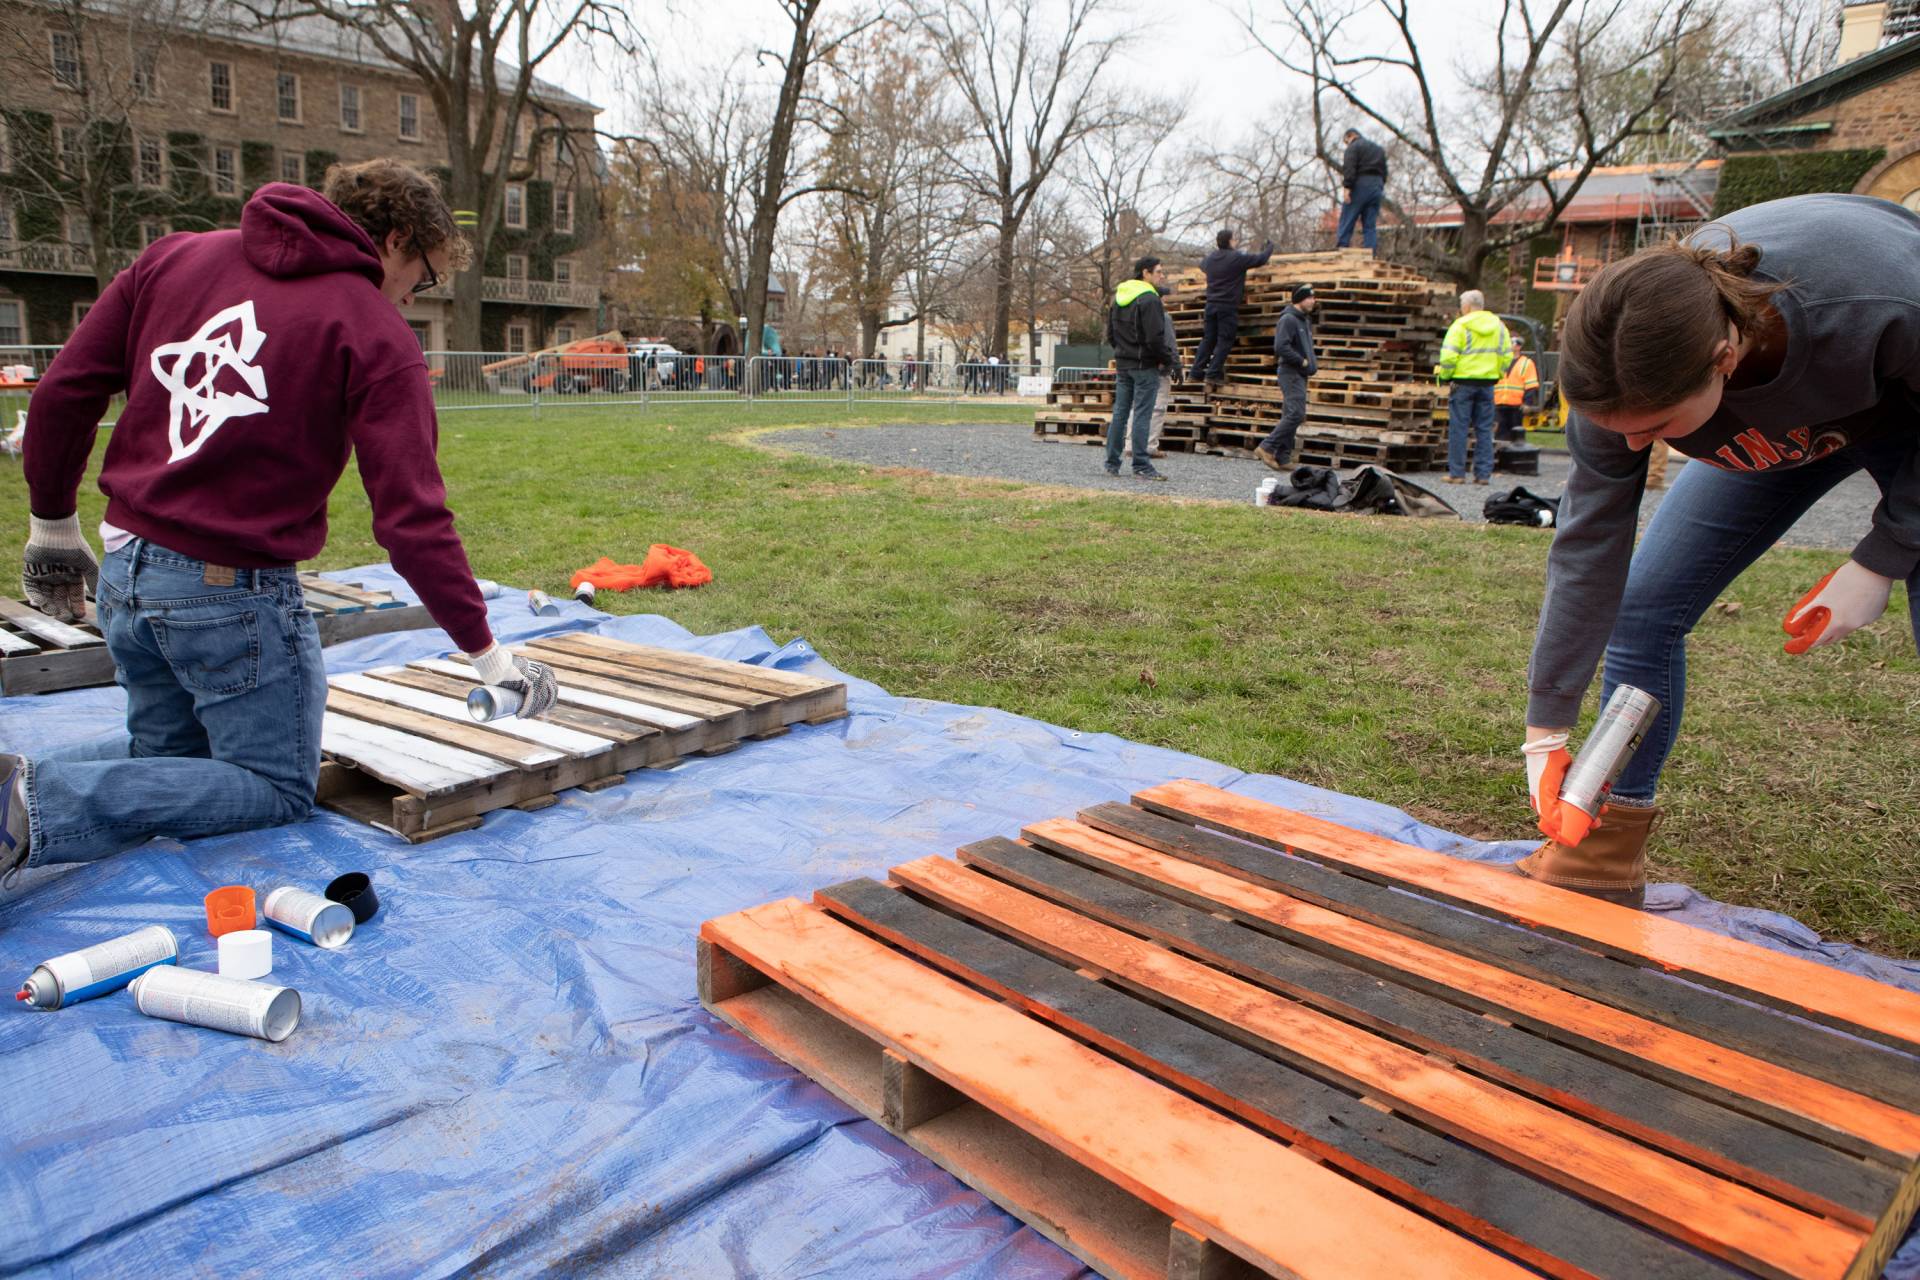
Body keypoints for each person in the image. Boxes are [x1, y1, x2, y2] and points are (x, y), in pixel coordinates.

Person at [3, 159, 558, 884]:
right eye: (421, 279)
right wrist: (488, 654)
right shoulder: (372, 328)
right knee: (274, 786)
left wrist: (51, 526)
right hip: (227, 591)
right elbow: (411, 519)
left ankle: (14, 791)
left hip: (126, 569)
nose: (408, 296)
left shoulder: (175, 257)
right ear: (396, 240)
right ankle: (34, 808)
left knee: (166, 759)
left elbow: (63, 392)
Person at [1517, 193, 1920, 908]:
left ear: (1724, 358)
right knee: (1644, 610)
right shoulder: (1619, 371)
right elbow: (1589, 546)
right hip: (1769, 424)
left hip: (1902, 408)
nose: (1634, 445)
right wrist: (1546, 725)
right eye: (1620, 429)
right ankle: (1603, 852)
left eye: (1656, 427)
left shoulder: (1877, 304)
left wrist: (1883, 556)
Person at [1105, 256, 1175, 482]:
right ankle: (1141, 465)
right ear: (1145, 273)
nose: (1161, 276)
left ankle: (1112, 462)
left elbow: (1111, 334)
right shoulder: (1150, 299)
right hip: (1145, 365)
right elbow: (1155, 338)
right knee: (1143, 415)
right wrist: (1167, 360)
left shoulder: (1119, 298)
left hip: (1124, 364)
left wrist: (1123, 351)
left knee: (1120, 413)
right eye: (1158, 272)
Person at [1436, 290, 1514, 485]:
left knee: (1459, 429)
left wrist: (1445, 377)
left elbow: (1448, 357)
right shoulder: (1498, 326)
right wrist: (1497, 373)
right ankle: (1483, 475)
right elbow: (1507, 355)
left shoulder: (1460, 325)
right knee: (1484, 430)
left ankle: (1457, 473)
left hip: (1462, 383)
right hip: (1487, 384)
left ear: (1467, 306)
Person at [1188, 229, 1275, 386]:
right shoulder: (1236, 258)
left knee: (1208, 340)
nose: (1236, 241)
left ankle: (1195, 373)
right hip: (1227, 307)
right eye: (1234, 239)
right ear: (1229, 241)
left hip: (1211, 305)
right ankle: (1213, 374)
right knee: (1225, 340)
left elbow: (1202, 265)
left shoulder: (1210, 258)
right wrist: (1269, 247)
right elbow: (1260, 259)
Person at [1257, 285, 1319, 469]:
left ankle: (1283, 457)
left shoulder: (1303, 320)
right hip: (1291, 372)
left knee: (1290, 414)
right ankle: (1266, 447)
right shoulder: (1288, 319)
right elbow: (1281, 346)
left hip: (1300, 374)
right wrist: (1302, 362)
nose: (1313, 301)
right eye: (1309, 298)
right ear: (1300, 299)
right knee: (1296, 414)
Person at [1336, 128, 1389, 253]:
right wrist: (1379, 185)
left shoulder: (1353, 147)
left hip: (1361, 183)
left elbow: (1349, 168)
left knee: (1348, 216)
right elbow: (1385, 172)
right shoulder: (1378, 149)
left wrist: (1347, 187)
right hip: (1377, 186)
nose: (1347, 145)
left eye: (1346, 142)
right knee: (1370, 224)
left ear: (1350, 136)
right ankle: (1371, 251)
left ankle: (1342, 247)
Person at [1145, 283, 1183, 457]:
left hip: (1139, 367)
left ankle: (1130, 445)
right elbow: (1170, 344)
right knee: (1157, 408)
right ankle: (1150, 445)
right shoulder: (1164, 317)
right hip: (1159, 368)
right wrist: (1176, 366)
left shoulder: (1138, 314)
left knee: (1136, 408)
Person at [1494, 334, 1541, 442]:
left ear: (1519, 346)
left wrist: (1527, 403)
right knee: (1499, 436)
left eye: (1513, 343)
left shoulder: (1526, 363)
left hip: (1516, 407)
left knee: (1515, 436)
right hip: (1498, 405)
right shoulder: (1499, 361)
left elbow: (1531, 385)